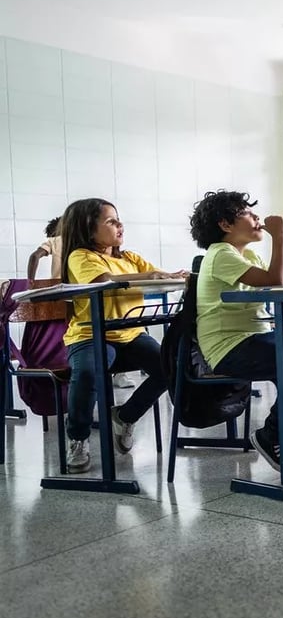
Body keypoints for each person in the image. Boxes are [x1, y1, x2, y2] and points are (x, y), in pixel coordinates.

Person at [191, 190, 283, 473]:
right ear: (225, 224)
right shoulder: (220, 254)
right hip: (229, 346)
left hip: (259, 335)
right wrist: (279, 235)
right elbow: (275, 278)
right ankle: (270, 435)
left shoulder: (246, 255)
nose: (256, 217)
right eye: (247, 213)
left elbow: (279, 280)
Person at [58, 199, 187, 473]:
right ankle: (78, 438)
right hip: (90, 334)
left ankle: (126, 416)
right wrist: (149, 276)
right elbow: (103, 281)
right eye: (111, 221)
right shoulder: (81, 256)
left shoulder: (130, 258)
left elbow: (159, 276)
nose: (120, 226)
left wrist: (175, 276)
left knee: (171, 366)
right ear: (88, 228)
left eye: (119, 220)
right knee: (88, 373)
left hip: (130, 334)